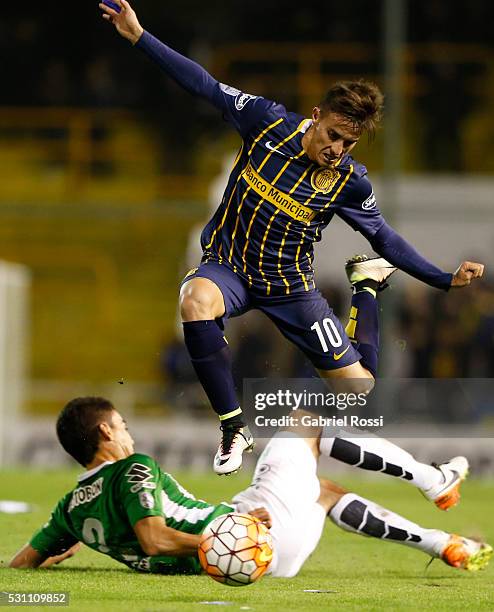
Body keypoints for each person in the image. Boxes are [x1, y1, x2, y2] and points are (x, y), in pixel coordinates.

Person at [99, 0, 485, 474]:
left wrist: (444, 279)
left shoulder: (349, 181)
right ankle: (233, 426)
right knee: (194, 302)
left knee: (358, 389)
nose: (337, 150)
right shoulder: (266, 122)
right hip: (230, 267)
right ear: (317, 115)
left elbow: (383, 236)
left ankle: (365, 287)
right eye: (333, 135)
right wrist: (140, 36)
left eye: (348, 144)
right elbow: (203, 84)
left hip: (289, 285)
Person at [9, 397, 492, 576]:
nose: (129, 430)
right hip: (244, 545)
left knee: (322, 490)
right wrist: (226, 538)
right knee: (303, 421)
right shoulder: (134, 468)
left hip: (250, 547)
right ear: (106, 433)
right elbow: (153, 539)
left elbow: (20, 565)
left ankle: (447, 544)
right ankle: (434, 480)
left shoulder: (70, 508)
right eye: (123, 423)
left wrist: (51, 565)